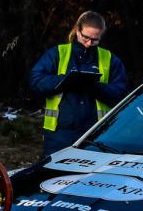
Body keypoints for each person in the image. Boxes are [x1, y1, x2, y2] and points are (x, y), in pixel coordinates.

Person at [29, 11, 128, 157]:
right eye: (85, 38)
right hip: (60, 134)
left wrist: (95, 87)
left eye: (94, 40)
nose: (88, 44)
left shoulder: (109, 59)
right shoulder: (57, 54)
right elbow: (36, 82)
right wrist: (64, 80)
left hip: (96, 134)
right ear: (77, 30)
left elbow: (121, 93)